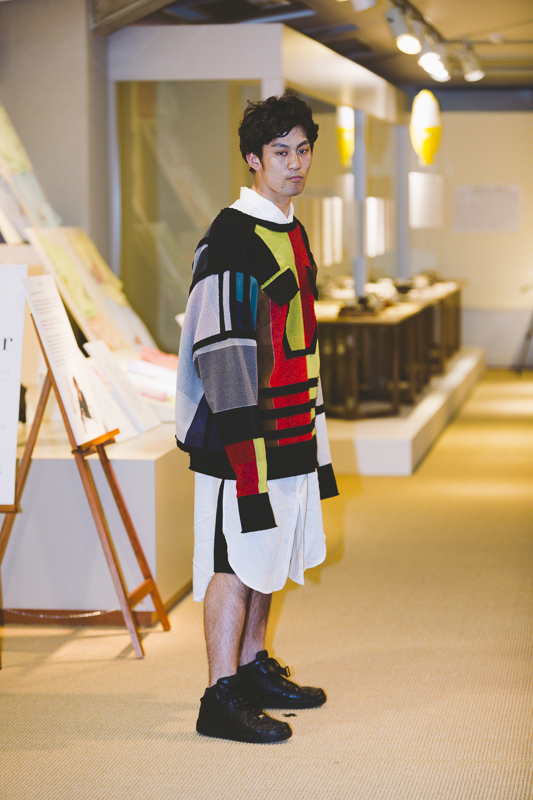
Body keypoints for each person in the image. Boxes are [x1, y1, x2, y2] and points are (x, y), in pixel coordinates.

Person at [175, 90, 338, 744]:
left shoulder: (292, 229)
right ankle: (219, 695)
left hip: (291, 424)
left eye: (303, 150)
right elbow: (216, 348)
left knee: (271, 548)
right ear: (253, 159)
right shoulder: (232, 235)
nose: (295, 163)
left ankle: (252, 666)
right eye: (280, 152)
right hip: (240, 433)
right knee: (234, 558)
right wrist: (244, 447)